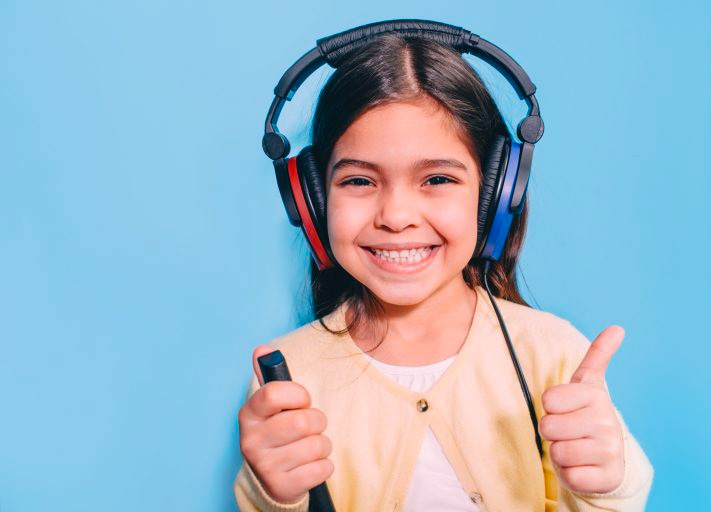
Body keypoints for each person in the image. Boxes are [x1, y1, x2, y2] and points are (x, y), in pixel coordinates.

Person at [235, 33, 653, 512]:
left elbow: (612, 495)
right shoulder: (288, 378)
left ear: (496, 196)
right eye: (358, 180)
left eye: (437, 179)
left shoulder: (554, 356)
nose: (396, 216)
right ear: (312, 201)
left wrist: (605, 482)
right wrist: (276, 496)